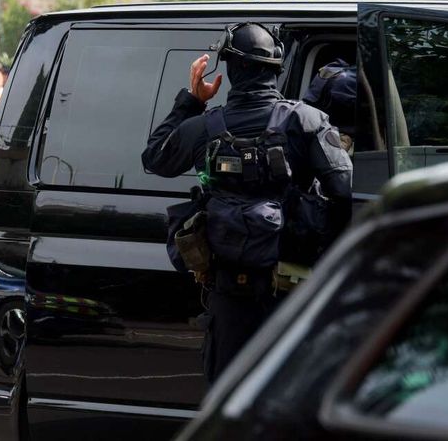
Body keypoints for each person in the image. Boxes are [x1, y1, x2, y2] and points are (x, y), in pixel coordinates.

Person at [141, 22, 352, 383]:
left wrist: (192, 100)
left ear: (231, 69)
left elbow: (154, 158)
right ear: (276, 68)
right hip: (293, 294)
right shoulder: (306, 120)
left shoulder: (203, 127)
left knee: (229, 405)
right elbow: (345, 190)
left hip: (229, 300)